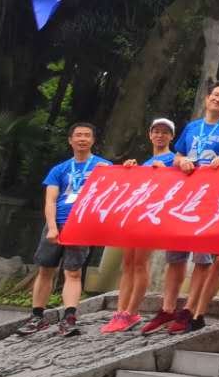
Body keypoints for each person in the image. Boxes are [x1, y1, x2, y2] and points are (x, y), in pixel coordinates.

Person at [167, 81, 219, 334]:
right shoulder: (192, 127)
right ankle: (168, 309)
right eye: (215, 95)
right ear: (207, 98)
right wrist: (182, 161)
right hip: (187, 197)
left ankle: (190, 310)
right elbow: (177, 156)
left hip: (213, 199)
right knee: (176, 254)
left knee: (203, 257)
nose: (218, 99)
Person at [17, 122, 110, 337]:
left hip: (81, 225)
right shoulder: (59, 169)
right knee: (45, 269)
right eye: (78, 135)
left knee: (73, 272)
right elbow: (50, 200)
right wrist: (52, 227)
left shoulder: (103, 166)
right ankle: (36, 316)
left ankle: (69, 318)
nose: (82, 139)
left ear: (93, 140)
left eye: (87, 135)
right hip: (57, 223)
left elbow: (115, 188)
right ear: (70, 140)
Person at [104, 117, 177, 335]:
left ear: (172, 136)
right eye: (156, 131)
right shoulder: (146, 162)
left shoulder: (174, 159)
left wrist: (165, 171)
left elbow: (177, 185)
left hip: (153, 216)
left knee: (140, 263)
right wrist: (130, 170)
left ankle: (132, 311)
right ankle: (120, 312)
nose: (160, 135)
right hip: (135, 214)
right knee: (127, 263)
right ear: (150, 135)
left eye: (165, 132)